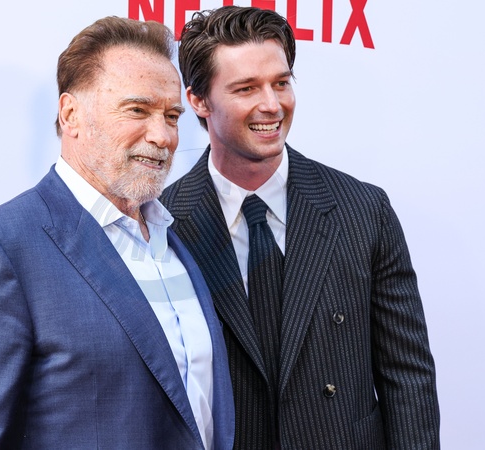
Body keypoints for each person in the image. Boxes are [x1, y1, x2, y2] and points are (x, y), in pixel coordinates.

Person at [0, 16, 235, 449]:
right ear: (70, 114)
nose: (162, 136)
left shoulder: (176, 241)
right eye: (137, 110)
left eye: (171, 116)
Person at [161, 6, 440, 449]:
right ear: (198, 100)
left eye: (281, 83)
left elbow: (407, 377)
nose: (272, 105)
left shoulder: (364, 210)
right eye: (246, 88)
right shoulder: (163, 222)